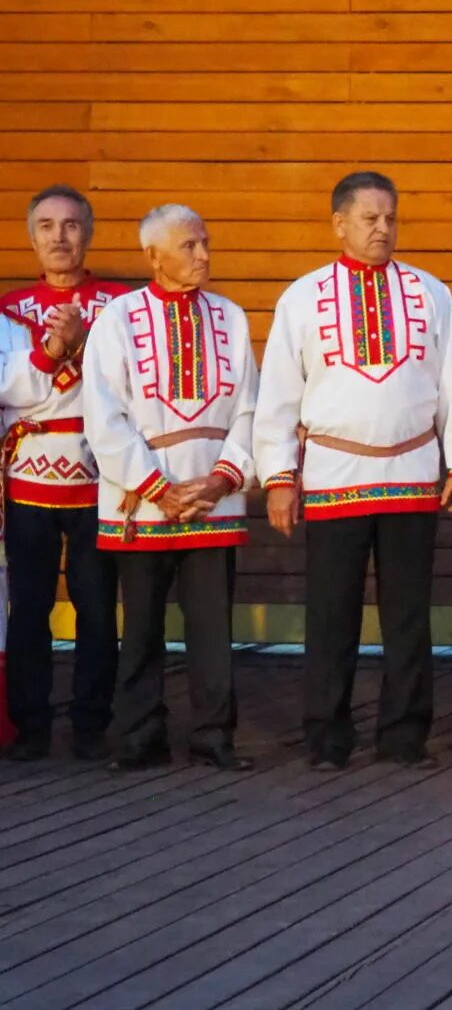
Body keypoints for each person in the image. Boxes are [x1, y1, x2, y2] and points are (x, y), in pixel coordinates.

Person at [253, 172, 452, 769]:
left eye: (390, 218)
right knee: (331, 612)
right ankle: (327, 737)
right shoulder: (302, 297)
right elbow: (278, 395)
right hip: (334, 476)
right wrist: (280, 478)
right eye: (369, 218)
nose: (383, 228)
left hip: (412, 470)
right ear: (339, 224)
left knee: (408, 613)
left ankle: (405, 735)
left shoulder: (431, 292)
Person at [81, 205, 257, 771]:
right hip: (142, 498)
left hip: (214, 496)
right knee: (141, 626)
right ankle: (137, 737)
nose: (203, 255)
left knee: (212, 627)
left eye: (205, 242)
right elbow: (103, 416)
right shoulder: (117, 319)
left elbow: (251, 409)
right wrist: (157, 487)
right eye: (189, 246)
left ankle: (213, 737)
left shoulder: (231, 317)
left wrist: (222, 478)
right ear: (153, 255)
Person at [2, 185, 118, 760]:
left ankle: (93, 725)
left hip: (102, 479)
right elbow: (5, 388)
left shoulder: (121, 306)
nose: (59, 237)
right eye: (46, 226)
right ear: (31, 236)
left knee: (98, 606)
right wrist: (52, 349)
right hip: (30, 482)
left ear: (88, 233)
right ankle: (31, 726)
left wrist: (84, 338)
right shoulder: (8, 309)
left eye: (71, 225)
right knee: (30, 608)